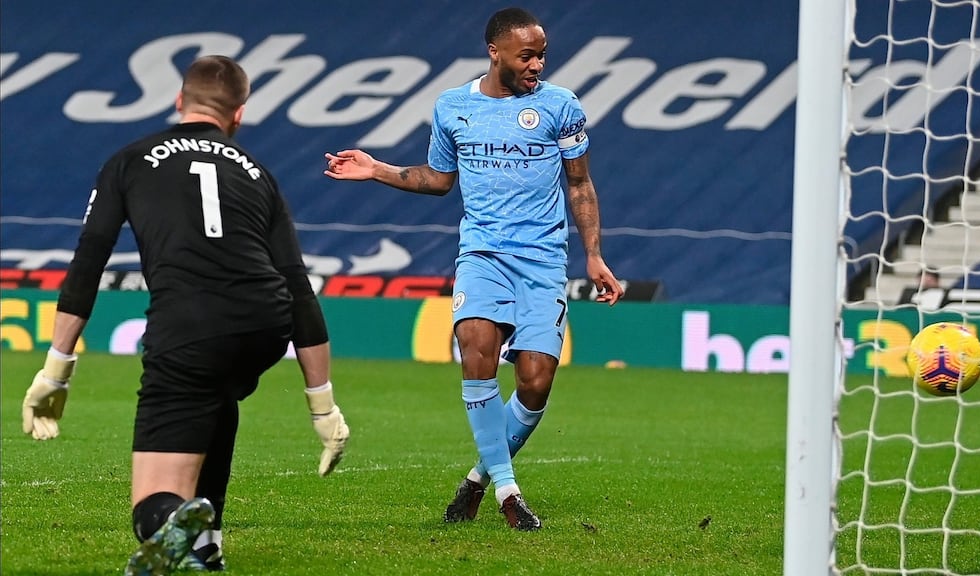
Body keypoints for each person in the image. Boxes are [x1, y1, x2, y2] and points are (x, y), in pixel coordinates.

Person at [21, 55, 350, 575]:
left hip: (190, 324)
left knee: (150, 510)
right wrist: (322, 404)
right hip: (266, 321)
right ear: (238, 115)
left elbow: (89, 262)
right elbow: (297, 286)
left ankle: (174, 531)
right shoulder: (258, 173)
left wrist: (56, 370)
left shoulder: (129, 159)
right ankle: (207, 541)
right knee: (216, 392)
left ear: (179, 101)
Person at [324, 7, 624, 530]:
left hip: (542, 261)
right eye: (526, 54)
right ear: (495, 51)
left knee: (534, 381)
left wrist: (594, 254)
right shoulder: (452, 107)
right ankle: (510, 493)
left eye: (542, 54)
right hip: (482, 255)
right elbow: (438, 180)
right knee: (475, 351)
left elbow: (579, 184)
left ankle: (477, 480)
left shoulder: (561, 105)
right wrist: (377, 170)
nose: (537, 63)